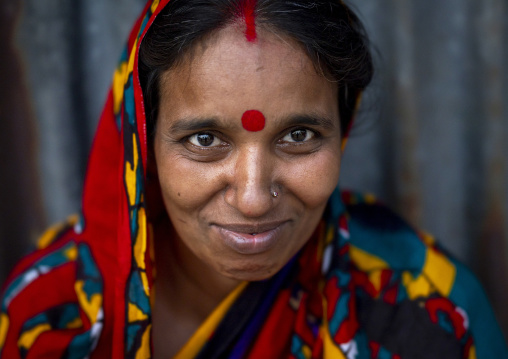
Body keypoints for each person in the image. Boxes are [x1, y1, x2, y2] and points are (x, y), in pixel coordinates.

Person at [1, 0, 507, 357]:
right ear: (143, 144)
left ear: (343, 130)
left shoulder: (430, 314)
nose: (252, 199)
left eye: (300, 135)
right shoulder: (47, 320)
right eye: (204, 140)